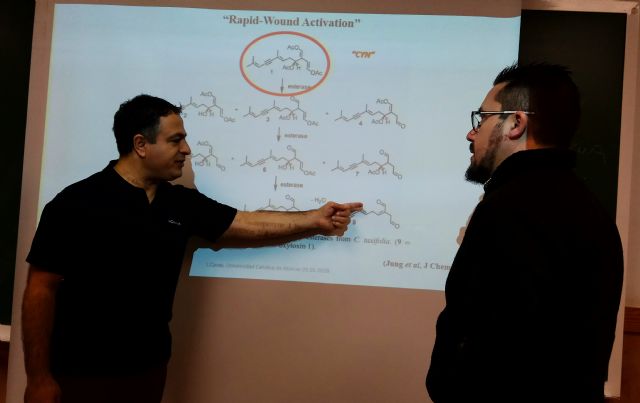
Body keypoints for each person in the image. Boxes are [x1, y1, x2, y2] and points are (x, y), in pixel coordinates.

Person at [22, 94, 363, 403]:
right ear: (141, 144)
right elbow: (40, 290)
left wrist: (313, 219)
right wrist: (38, 378)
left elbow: (246, 223)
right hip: (80, 373)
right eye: (176, 140)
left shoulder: (179, 203)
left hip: (148, 370)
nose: (186, 149)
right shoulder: (75, 203)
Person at [426, 63, 623, 403]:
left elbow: (487, 344)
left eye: (482, 119)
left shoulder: (506, 211)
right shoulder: (594, 213)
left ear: (515, 123)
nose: (471, 134)